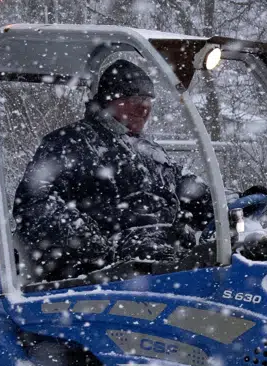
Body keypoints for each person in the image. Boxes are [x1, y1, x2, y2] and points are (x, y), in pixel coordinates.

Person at [12, 60, 212, 282]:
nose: (143, 107)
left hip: (166, 267)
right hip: (99, 278)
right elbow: (34, 207)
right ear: (109, 101)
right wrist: (100, 246)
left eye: (147, 99)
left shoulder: (151, 152)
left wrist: (228, 207)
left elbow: (191, 192)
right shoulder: (69, 144)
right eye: (134, 99)